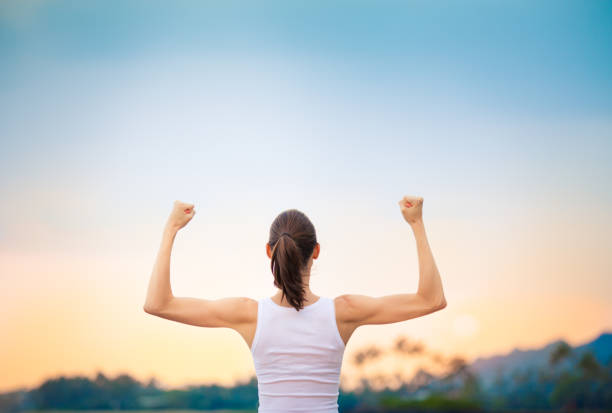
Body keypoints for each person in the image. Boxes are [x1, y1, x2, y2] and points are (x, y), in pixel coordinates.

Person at [144, 195, 447, 413]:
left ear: (269, 251)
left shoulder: (249, 314)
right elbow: (431, 300)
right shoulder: (344, 312)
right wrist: (417, 223)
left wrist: (171, 228)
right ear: (315, 251)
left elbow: (158, 304)